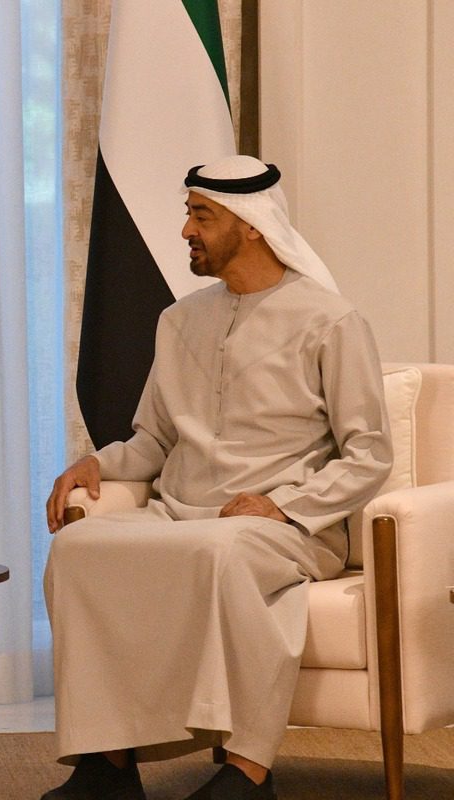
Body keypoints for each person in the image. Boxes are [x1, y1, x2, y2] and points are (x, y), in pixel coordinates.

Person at [42, 156, 392, 800]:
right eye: (189, 214)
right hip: (182, 514)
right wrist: (100, 463)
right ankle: (108, 764)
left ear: (252, 225)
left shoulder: (330, 321)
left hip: (288, 528)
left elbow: (369, 453)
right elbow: (156, 439)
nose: (186, 232)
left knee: (222, 549)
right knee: (77, 548)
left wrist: (284, 507)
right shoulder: (180, 320)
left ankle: (248, 770)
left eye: (201, 215)